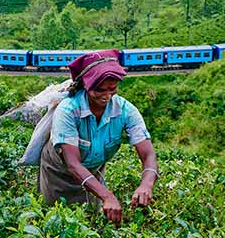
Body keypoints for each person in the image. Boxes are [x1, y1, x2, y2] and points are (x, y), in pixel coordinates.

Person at [39, 49, 158, 226]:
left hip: (93, 171)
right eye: (99, 90)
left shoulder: (126, 111)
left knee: (90, 220)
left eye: (112, 89)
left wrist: (146, 185)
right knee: (57, 221)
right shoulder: (68, 111)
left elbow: (148, 155)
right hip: (59, 173)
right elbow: (73, 164)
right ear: (86, 87)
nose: (107, 96)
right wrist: (108, 195)